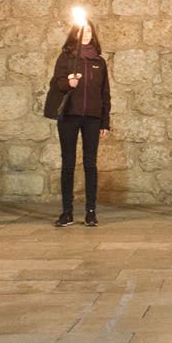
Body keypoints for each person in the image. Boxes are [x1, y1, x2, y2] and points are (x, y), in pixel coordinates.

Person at [46, 19, 110, 227]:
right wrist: (68, 83)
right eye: (83, 31)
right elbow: (56, 82)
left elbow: (105, 93)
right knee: (68, 163)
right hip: (69, 116)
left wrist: (105, 122)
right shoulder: (66, 58)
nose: (87, 34)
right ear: (76, 34)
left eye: (90, 30)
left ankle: (91, 211)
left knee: (90, 164)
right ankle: (67, 211)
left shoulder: (99, 62)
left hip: (92, 118)